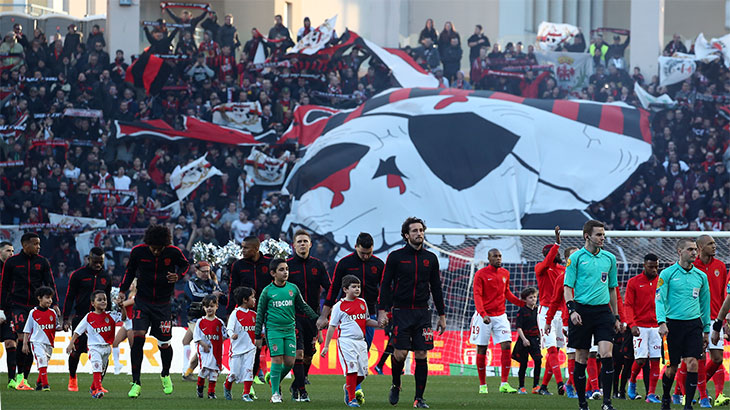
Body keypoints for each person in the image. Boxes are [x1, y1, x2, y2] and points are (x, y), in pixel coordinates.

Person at [378, 217, 446, 408]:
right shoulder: (395, 257)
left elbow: (436, 288)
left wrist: (442, 315)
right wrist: (382, 310)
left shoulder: (430, 258)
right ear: (406, 235)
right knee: (400, 354)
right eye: (414, 231)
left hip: (423, 313)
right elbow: (385, 285)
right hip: (401, 312)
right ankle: (396, 384)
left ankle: (419, 398)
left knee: (422, 353)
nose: (419, 234)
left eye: (421, 230)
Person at [118, 224, 189, 398]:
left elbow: (185, 265)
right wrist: (122, 290)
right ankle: (136, 382)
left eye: (160, 249)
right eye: (153, 248)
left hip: (163, 304)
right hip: (142, 302)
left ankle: (165, 374)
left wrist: (178, 276)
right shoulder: (138, 252)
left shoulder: (173, 252)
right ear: (148, 243)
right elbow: (129, 272)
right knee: (138, 338)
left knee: (164, 343)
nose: (156, 251)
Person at [564, 219, 620, 410]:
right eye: (599, 234)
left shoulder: (610, 258)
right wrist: (572, 310)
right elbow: (567, 287)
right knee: (581, 357)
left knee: (606, 354)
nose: (602, 238)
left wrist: (616, 316)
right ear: (587, 236)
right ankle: (582, 403)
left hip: (603, 311)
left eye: (603, 234)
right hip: (581, 311)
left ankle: (607, 403)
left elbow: (612, 289)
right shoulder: (576, 258)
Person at [254, 258, 319, 403]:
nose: (285, 272)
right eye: (281, 270)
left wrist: (317, 318)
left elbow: (303, 306)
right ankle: (275, 394)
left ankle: (273, 380)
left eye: (287, 269)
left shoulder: (293, 289)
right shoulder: (267, 291)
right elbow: (260, 313)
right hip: (273, 330)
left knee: (290, 362)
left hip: (290, 330)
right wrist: (258, 334)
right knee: (277, 359)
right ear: (273, 273)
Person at [656, 238, 711, 410]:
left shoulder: (701, 276)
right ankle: (666, 397)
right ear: (679, 252)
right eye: (690, 249)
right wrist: (661, 322)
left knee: (693, 362)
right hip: (672, 325)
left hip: (693, 324)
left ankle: (688, 405)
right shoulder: (667, 274)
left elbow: (705, 304)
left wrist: (706, 329)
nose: (694, 252)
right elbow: (659, 299)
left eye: (695, 249)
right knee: (671, 368)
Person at [0, 232, 57, 390]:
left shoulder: (42, 262)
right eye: (35, 244)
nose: (38, 247)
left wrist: (55, 303)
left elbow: (50, 283)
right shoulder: (12, 262)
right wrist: (1, 308)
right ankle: (19, 377)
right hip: (17, 305)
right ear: (25, 245)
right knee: (20, 338)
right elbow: (4, 286)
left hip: (36, 307)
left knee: (32, 342)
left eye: (39, 244)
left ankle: (24, 378)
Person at [470, 247, 524, 394]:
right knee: (482, 348)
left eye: (500, 256)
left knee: (506, 345)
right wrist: (483, 314)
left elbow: (507, 293)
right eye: (495, 256)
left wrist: (522, 303)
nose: (498, 258)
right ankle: (483, 385)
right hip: (484, 316)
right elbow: (477, 295)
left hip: (500, 315)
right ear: (489, 258)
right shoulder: (480, 274)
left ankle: (504, 384)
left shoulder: (505, 273)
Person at [321, 275, 379, 408]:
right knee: (351, 370)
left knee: (363, 374)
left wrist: (379, 324)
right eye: (354, 287)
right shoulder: (338, 306)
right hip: (346, 341)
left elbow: (366, 321)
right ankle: (352, 399)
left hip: (361, 342)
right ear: (345, 289)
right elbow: (332, 326)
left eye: (358, 287)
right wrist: (326, 346)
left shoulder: (362, 303)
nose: (357, 289)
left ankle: (348, 387)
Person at [319, 232, 383, 349]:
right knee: (350, 349)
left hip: (369, 313)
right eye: (362, 253)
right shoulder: (344, 263)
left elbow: (385, 290)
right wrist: (324, 316)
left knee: (365, 349)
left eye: (369, 253)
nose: (365, 256)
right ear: (356, 247)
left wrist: (384, 313)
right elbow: (334, 288)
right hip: (348, 314)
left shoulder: (378, 264)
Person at [286, 229, 330, 401]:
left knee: (309, 355)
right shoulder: (287, 265)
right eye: (299, 241)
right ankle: (302, 391)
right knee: (298, 353)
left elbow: (330, 288)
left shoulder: (318, 265)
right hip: (294, 316)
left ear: (310, 244)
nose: (302, 244)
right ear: (294, 245)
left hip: (313, 317)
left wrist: (326, 313)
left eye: (305, 241)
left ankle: (297, 383)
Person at [62, 247, 111, 392]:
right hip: (81, 317)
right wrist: (66, 318)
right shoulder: (78, 275)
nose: (98, 265)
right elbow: (69, 297)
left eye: (101, 262)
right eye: (95, 262)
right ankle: (72, 378)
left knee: (103, 352)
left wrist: (109, 317)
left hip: (100, 321)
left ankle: (97, 385)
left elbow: (108, 299)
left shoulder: (106, 276)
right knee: (76, 351)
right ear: (89, 259)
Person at [691, 235, 730, 406]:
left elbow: (724, 294)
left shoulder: (720, 266)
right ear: (700, 248)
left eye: (714, 243)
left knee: (717, 358)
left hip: (716, 318)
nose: (714, 246)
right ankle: (702, 396)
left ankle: (691, 389)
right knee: (698, 357)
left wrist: (725, 319)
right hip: (696, 318)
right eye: (710, 244)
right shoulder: (692, 266)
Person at [228, 235, 271, 382]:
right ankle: (252, 375)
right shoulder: (238, 266)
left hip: (267, 311)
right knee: (251, 344)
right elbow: (232, 289)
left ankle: (257, 372)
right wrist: (229, 311)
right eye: (242, 247)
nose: (243, 250)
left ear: (256, 248)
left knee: (263, 344)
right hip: (247, 313)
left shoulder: (269, 263)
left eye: (246, 248)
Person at [624, 253, 662, 403]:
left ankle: (651, 394)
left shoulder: (661, 282)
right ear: (644, 265)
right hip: (640, 326)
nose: (654, 270)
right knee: (640, 360)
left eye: (656, 267)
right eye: (651, 267)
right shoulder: (634, 282)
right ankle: (632, 381)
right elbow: (628, 305)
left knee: (655, 360)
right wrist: (631, 324)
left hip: (657, 326)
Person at [534, 227, 566, 395]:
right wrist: (556, 244)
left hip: (561, 313)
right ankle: (560, 383)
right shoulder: (541, 268)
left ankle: (544, 387)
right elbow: (547, 262)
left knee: (557, 350)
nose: (557, 255)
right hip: (545, 312)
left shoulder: (563, 271)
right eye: (554, 252)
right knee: (551, 349)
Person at [66, 290, 115, 398]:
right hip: (94, 348)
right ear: (93, 303)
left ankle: (93, 387)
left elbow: (124, 318)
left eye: (105, 299)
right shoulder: (89, 316)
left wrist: (123, 307)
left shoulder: (111, 315)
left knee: (101, 370)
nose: (103, 302)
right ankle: (98, 389)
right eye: (99, 300)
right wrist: (71, 343)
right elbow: (78, 331)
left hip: (107, 347)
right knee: (97, 367)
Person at [546, 246, 580, 399]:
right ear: (567, 260)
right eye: (573, 255)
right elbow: (554, 302)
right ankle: (573, 387)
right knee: (573, 354)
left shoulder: (587, 275)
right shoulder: (562, 278)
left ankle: (584, 387)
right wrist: (548, 321)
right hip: (569, 320)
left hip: (589, 319)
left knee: (590, 355)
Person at [181, 261, 225, 380]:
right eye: (203, 271)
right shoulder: (191, 283)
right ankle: (191, 370)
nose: (206, 274)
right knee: (200, 343)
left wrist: (221, 295)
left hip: (207, 318)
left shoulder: (212, 283)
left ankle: (188, 371)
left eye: (208, 271)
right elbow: (193, 296)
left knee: (189, 341)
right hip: (195, 317)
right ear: (196, 271)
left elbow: (222, 298)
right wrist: (213, 294)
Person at [224, 287, 257, 401]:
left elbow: (259, 329)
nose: (254, 300)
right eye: (252, 297)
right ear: (244, 299)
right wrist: (232, 334)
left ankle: (246, 394)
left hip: (250, 348)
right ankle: (227, 385)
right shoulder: (235, 313)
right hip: (237, 350)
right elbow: (229, 328)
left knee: (249, 371)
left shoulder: (254, 314)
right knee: (234, 374)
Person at [21, 286, 56, 391]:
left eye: (51, 298)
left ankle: (39, 382)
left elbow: (56, 326)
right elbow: (27, 329)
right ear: (39, 298)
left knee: (44, 363)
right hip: (36, 342)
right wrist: (25, 344)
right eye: (47, 297)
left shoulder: (53, 313)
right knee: (42, 360)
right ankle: (45, 385)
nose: (50, 300)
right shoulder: (33, 312)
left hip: (49, 343)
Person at [193, 294, 227, 399]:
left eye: (212, 306)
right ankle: (200, 386)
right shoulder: (200, 322)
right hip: (204, 351)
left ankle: (211, 392)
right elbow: (196, 337)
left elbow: (225, 335)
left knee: (214, 371)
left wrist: (219, 342)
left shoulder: (219, 322)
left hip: (216, 351)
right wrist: (203, 344)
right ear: (203, 308)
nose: (209, 309)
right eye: (207, 306)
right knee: (205, 369)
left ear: (217, 306)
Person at [0, 241, 22, 390]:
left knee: (11, 343)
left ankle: (11, 379)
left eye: (13, 251)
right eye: (8, 251)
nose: (11, 254)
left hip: (9, 311)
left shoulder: (14, 269)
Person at [512, 287, 542, 394]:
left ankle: (536, 386)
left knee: (538, 361)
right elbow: (518, 327)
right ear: (525, 300)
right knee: (523, 363)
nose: (533, 299)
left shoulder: (538, 311)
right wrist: (524, 339)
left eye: (535, 297)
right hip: (524, 340)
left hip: (535, 339)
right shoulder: (522, 311)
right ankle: (521, 387)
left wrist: (541, 338)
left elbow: (540, 325)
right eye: (530, 297)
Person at [113, 278, 136, 375]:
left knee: (133, 347)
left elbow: (124, 304)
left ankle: (134, 368)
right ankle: (117, 365)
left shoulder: (136, 296)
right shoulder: (130, 295)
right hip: (126, 323)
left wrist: (115, 301)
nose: (130, 285)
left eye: (132, 284)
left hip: (132, 324)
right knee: (115, 343)